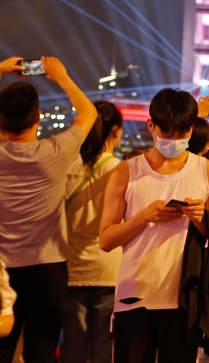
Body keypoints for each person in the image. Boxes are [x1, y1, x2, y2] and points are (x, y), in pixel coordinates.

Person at [98, 88, 209, 362]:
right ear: (151, 126)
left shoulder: (207, 171)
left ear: (192, 128)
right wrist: (144, 216)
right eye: (167, 134)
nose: (175, 141)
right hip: (134, 296)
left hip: (184, 299)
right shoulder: (127, 172)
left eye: (182, 134)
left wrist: (200, 217)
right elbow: (106, 240)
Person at [0, 56, 97, 363]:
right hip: (48, 268)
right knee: (41, 352)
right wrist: (61, 76)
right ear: (38, 117)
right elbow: (88, 113)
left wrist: (0, 69)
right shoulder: (55, 152)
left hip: (2, 269)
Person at [61, 100, 124, 363]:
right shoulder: (120, 169)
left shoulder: (66, 167)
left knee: (73, 344)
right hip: (108, 268)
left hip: (72, 266)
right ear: (116, 132)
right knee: (104, 347)